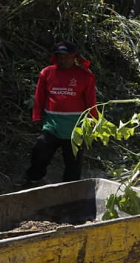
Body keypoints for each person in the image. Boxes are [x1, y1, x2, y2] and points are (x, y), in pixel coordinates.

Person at [26, 41, 98, 183]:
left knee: (73, 164)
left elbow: (91, 101)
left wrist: (93, 122)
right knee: (40, 150)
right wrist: (36, 117)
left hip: (75, 128)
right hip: (52, 125)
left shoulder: (85, 76)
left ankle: (70, 191)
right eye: (59, 56)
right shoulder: (47, 73)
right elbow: (39, 97)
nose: (62, 59)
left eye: (66, 57)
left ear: (74, 57)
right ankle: (33, 180)